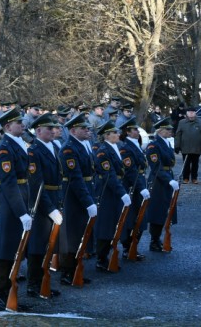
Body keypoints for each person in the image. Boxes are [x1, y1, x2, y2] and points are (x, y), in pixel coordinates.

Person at [0, 107, 33, 311]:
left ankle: (7, 291)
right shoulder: (4, 148)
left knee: (15, 248)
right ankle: (0, 294)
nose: (22, 125)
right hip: (9, 203)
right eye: (18, 123)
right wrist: (21, 211)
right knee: (4, 249)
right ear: (7, 126)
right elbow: (8, 182)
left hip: (20, 197)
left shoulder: (19, 143)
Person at [58, 113, 98, 284]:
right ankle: (67, 272)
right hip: (73, 196)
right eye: (83, 128)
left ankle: (76, 269)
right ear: (73, 130)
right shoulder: (69, 149)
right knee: (72, 234)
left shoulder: (81, 145)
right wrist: (87, 201)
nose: (87, 130)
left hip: (85, 190)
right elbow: (75, 178)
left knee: (81, 232)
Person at [25, 113, 64, 293]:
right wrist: (49, 209)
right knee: (37, 245)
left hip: (53, 197)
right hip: (41, 202)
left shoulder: (53, 147)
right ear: (38, 130)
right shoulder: (34, 151)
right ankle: (34, 284)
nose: (53, 131)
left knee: (49, 243)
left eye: (54, 128)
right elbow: (36, 184)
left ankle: (43, 281)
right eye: (49, 128)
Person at [93, 121, 131, 271]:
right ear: (107, 136)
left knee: (115, 222)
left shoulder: (116, 147)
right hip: (107, 192)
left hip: (116, 189)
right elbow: (109, 175)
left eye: (117, 132)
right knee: (105, 224)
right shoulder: (103, 152)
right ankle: (101, 258)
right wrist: (122, 193)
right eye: (114, 133)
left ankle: (108, 253)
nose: (118, 134)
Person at [145, 118, 178, 252]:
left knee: (166, 208)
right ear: (160, 131)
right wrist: (168, 180)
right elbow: (156, 167)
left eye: (170, 129)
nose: (170, 131)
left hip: (167, 177)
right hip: (159, 180)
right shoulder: (153, 146)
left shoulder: (166, 143)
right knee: (157, 210)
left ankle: (157, 239)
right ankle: (154, 240)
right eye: (167, 129)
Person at [119, 120, 150, 260]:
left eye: (137, 129)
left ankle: (134, 246)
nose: (137, 132)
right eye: (134, 130)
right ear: (128, 132)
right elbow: (131, 171)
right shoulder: (126, 148)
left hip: (140, 182)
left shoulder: (136, 145)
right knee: (131, 217)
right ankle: (127, 247)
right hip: (133, 185)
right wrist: (141, 187)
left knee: (140, 216)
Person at [174, 107, 201, 183]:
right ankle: (186, 178)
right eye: (189, 112)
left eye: (193, 112)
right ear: (187, 113)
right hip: (185, 147)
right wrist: (177, 146)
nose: (191, 113)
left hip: (196, 147)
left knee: (195, 163)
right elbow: (178, 134)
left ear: (195, 113)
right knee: (186, 163)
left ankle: (194, 178)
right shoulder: (182, 122)